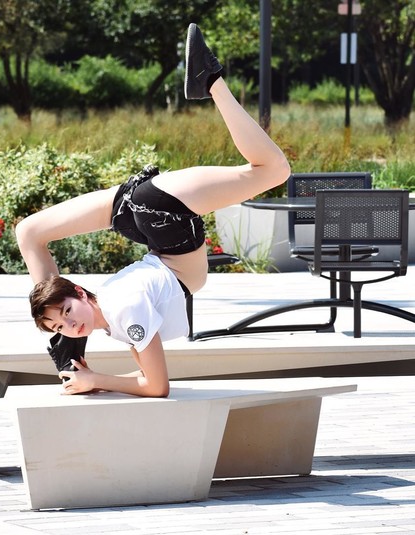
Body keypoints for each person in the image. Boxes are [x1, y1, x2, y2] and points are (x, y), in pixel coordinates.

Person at [15, 23, 291, 397]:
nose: (70, 323)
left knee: (273, 170)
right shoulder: (116, 315)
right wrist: (79, 358)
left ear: (81, 293)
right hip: (138, 212)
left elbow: (158, 386)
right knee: (28, 232)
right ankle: (69, 354)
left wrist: (95, 379)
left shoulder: (123, 311)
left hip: (162, 214)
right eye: (59, 326)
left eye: (66, 315)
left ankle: (211, 80)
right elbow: (146, 370)